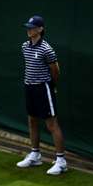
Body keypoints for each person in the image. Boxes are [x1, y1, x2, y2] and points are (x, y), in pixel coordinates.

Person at [16, 15, 67, 175]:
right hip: (29, 87)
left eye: (32, 27)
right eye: (28, 27)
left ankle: (61, 161)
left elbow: (55, 70)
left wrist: (52, 86)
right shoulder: (25, 46)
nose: (29, 30)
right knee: (32, 120)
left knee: (51, 124)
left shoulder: (47, 49)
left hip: (43, 88)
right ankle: (35, 155)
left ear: (40, 29)